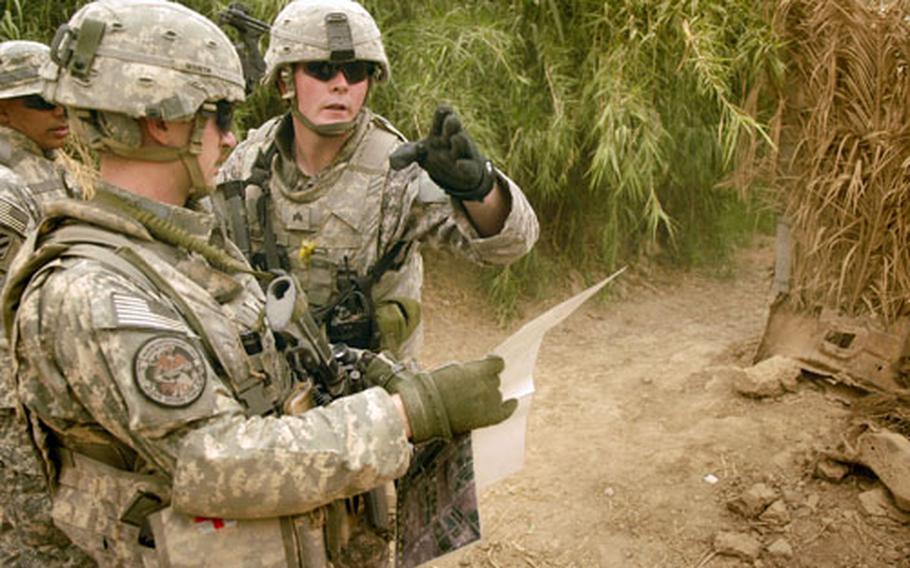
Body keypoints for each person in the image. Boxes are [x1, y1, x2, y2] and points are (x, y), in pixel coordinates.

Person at [2, 2, 516, 567]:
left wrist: (347, 367)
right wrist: (407, 412)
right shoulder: (99, 292)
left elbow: (248, 359)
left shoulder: (179, 244)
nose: (228, 136)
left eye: (356, 71)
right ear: (162, 123)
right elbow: (213, 461)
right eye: (218, 115)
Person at [216, 0, 539, 361]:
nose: (341, 84)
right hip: (275, 393)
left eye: (355, 72)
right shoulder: (247, 164)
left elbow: (512, 245)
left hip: (378, 399)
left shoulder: (396, 169)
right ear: (284, 80)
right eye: (323, 70)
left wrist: (480, 190)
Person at [0, 40, 93, 567]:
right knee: (38, 535)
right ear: (3, 109)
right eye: (39, 100)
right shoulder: (15, 180)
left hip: (33, 383)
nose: (59, 111)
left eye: (61, 97)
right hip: (15, 395)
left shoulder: (47, 165)